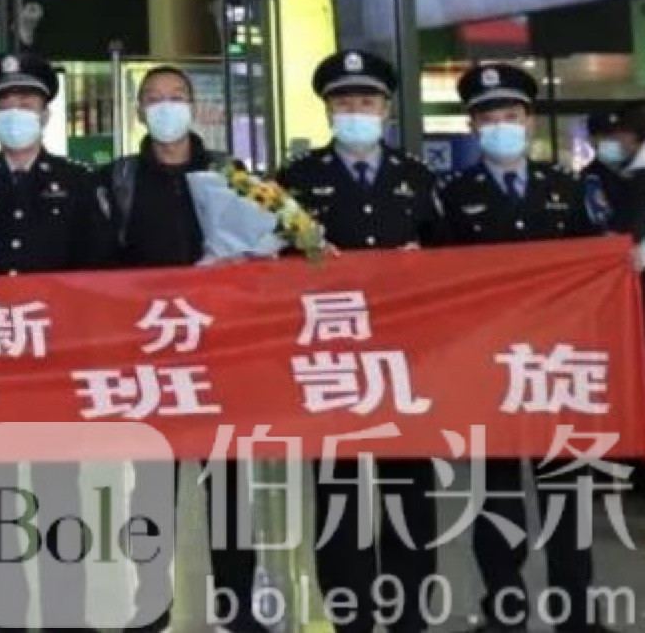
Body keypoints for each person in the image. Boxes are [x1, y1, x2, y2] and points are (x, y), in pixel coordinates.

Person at [434, 63, 610, 633]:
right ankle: (503, 610)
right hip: (490, 370)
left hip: (559, 367)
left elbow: (596, 266)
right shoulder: (452, 196)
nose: (501, 125)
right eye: (489, 117)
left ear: (529, 121)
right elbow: (434, 282)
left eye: (511, 115)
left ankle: (575, 613)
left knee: (568, 496)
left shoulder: (566, 188)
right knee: (498, 502)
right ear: (473, 125)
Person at [274, 51, 445, 633]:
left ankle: (408, 614)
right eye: (344, 102)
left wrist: (424, 263)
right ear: (328, 110)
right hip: (332, 364)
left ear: (386, 109)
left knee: (409, 492)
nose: (355, 111)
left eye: (366, 102)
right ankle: (350, 614)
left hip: (405, 363)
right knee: (339, 496)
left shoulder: (417, 178)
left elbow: (453, 258)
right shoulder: (296, 180)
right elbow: (268, 264)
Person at [97, 65, 262, 633]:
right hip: (150, 353)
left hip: (219, 354)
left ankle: (237, 604)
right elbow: (99, 262)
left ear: (195, 106)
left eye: (176, 96)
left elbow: (261, 253)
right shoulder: (118, 179)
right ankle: (150, 601)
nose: (166, 106)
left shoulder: (230, 174)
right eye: (154, 98)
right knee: (151, 488)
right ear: (139, 111)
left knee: (229, 486)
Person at [0, 52, 107, 633]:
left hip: (56, 362)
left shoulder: (78, 182)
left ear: (45, 112)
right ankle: (5, 612)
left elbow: (99, 270)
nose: (16, 112)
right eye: (6, 103)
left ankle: (66, 609)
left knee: (59, 488)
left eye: (27, 102)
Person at [579, 106, 640, 232]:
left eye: (620, 134)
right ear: (592, 140)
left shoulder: (637, 171)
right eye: (607, 136)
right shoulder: (589, 179)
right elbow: (600, 224)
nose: (616, 140)